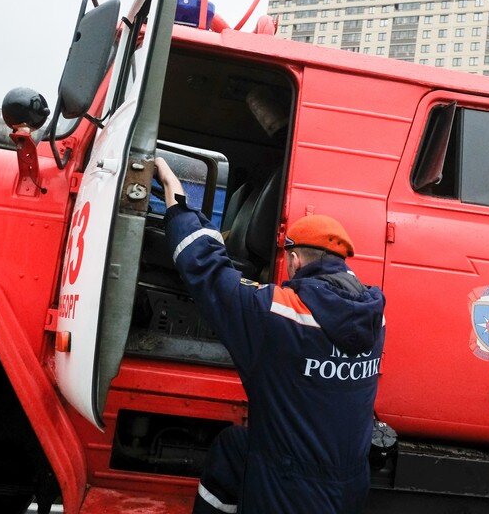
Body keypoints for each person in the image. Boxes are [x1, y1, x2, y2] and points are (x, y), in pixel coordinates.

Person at [155, 157, 386, 514]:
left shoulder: (279, 315)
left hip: (290, 491)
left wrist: (178, 205)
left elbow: (210, 272)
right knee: (234, 447)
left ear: (294, 261)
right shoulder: (376, 317)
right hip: (350, 485)